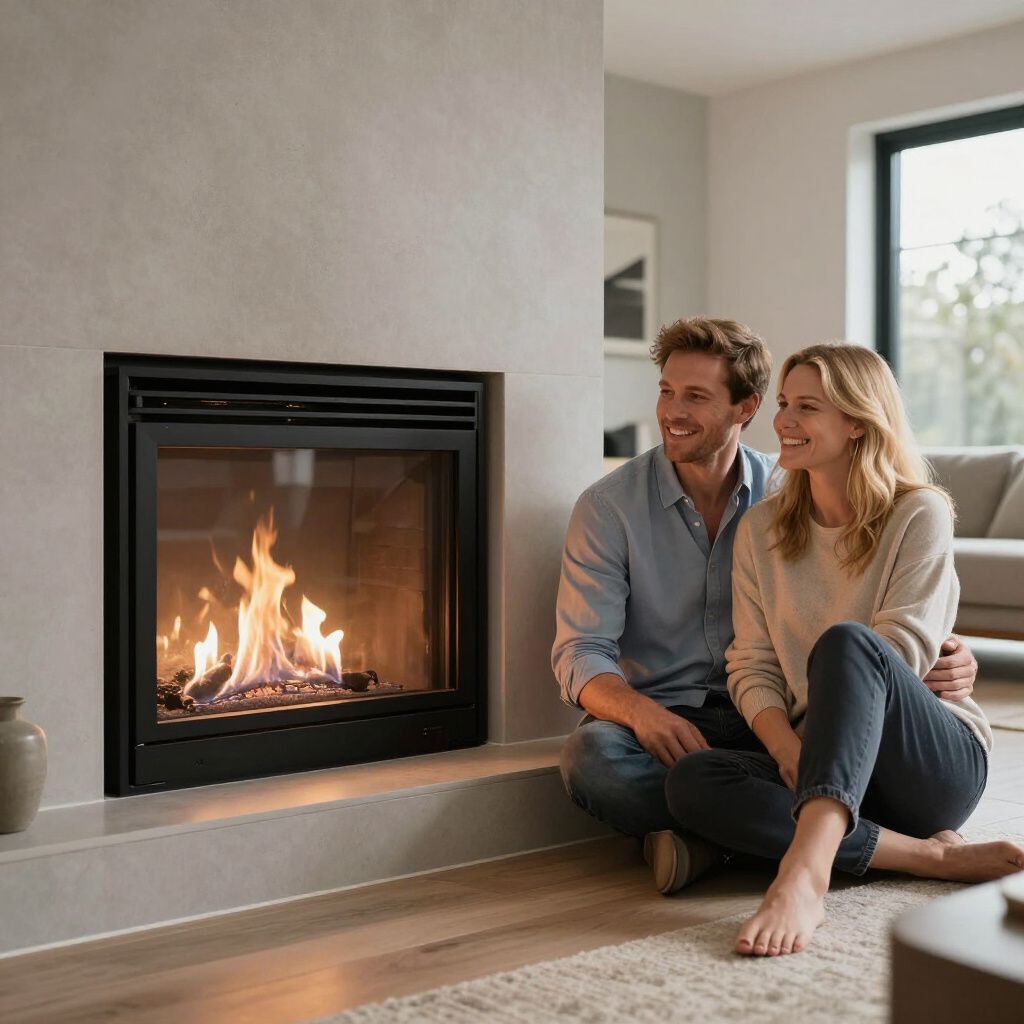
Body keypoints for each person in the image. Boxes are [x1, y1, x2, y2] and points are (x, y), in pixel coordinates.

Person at [553, 317, 979, 894]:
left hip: (824, 726)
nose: (672, 411)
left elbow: (887, 650)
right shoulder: (617, 509)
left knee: (849, 645)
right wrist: (642, 714)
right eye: (666, 392)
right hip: (702, 718)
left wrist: (943, 655)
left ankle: (743, 845)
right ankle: (898, 851)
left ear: (743, 408)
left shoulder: (801, 485)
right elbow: (582, 650)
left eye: (696, 396)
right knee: (600, 760)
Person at [663, 341, 1023, 957]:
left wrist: (825, 740)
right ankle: (928, 856)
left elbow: (900, 653)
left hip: (927, 768)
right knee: (694, 780)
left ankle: (804, 873)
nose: (784, 422)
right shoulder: (761, 529)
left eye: (808, 407)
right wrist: (786, 749)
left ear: (857, 420)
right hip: (821, 760)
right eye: (782, 403)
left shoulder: (919, 512)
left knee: (848, 644)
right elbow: (752, 663)